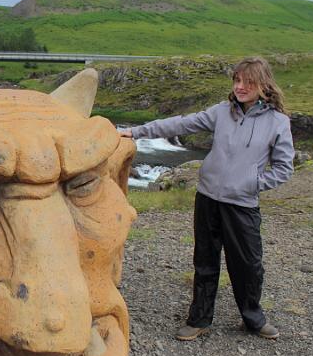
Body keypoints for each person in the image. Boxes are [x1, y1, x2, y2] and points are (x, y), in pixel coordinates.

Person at [119, 57, 294, 341]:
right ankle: (199, 319)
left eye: (248, 82)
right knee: (205, 262)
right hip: (208, 198)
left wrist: (252, 184)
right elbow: (181, 124)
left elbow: (285, 168)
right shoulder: (222, 112)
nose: (240, 87)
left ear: (263, 85)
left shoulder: (278, 122)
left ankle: (253, 318)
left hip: (242, 205)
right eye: (237, 81)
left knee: (248, 265)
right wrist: (136, 132)